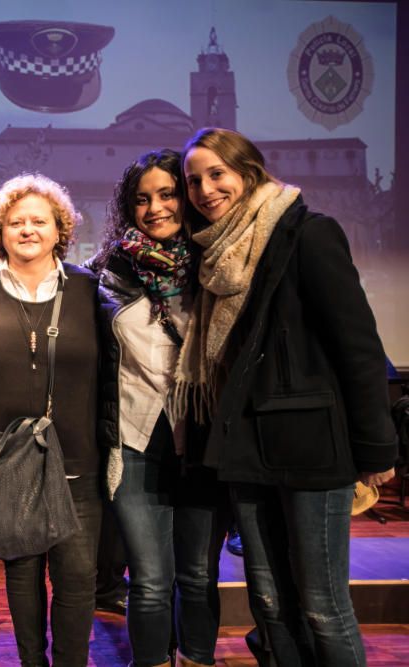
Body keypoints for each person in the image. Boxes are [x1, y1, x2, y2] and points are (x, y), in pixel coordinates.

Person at [178, 127, 398, 666]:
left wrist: (377, 450)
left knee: (322, 604)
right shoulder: (210, 256)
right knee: (270, 602)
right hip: (246, 452)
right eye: (193, 181)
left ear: (248, 172)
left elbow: (359, 348)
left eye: (216, 174)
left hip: (310, 450)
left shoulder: (308, 234)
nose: (205, 190)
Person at [92, 149, 229, 667]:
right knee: (149, 581)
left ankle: (196, 660)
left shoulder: (216, 271)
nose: (154, 208)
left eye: (167, 194)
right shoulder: (107, 275)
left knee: (196, 576)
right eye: (141, 199)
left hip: (201, 440)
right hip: (135, 440)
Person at [0, 173, 101, 666]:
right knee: (22, 577)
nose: (27, 230)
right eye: (15, 222)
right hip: (7, 464)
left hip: (78, 462)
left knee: (78, 579)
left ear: (59, 229)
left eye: (38, 221)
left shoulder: (88, 288)